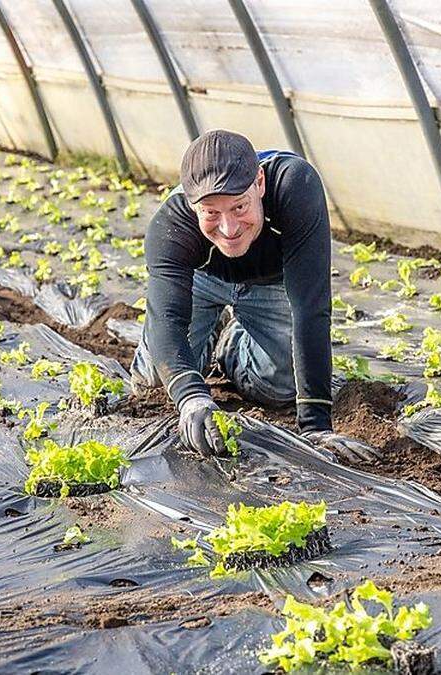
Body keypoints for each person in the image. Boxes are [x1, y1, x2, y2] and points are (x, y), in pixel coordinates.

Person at [130, 129, 377, 462]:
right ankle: (205, 339)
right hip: (202, 281)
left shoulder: (295, 185)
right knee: (156, 384)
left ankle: (232, 346)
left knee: (280, 388)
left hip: (270, 283)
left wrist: (315, 426)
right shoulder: (171, 224)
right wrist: (191, 399)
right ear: (192, 205)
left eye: (239, 207)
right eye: (211, 213)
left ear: (259, 183)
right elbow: (166, 317)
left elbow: (310, 306)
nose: (229, 228)